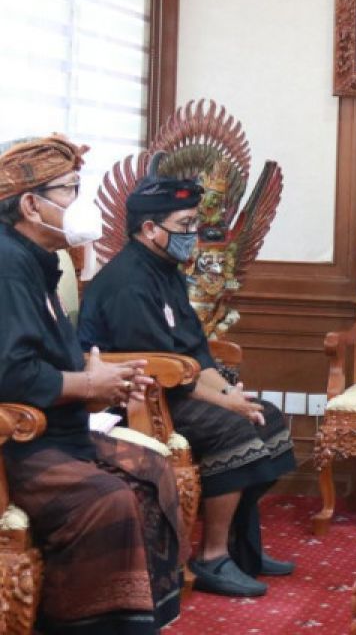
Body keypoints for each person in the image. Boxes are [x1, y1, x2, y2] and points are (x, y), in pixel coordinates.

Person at [78, 168, 296, 598]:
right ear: (148, 229)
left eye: (194, 224)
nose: (192, 234)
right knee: (234, 430)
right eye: (183, 226)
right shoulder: (127, 282)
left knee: (267, 419)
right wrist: (227, 406)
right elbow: (157, 367)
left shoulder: (169, 271)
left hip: (174, 386)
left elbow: (195, 352)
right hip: (134, 398)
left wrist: (231, 394)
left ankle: (242, 548)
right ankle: (212, 558)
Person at [0, 134, 185, 634]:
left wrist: (101, 378)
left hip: (57, 429)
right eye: (69, 191)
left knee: (151, 468)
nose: (82, 204)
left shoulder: (38, 259)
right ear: (31, 205)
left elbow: (40, 352)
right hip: (18, 442)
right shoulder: (7, 264)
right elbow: (11, 373)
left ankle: (147, 621)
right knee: (109, 499)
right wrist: (85, 385)